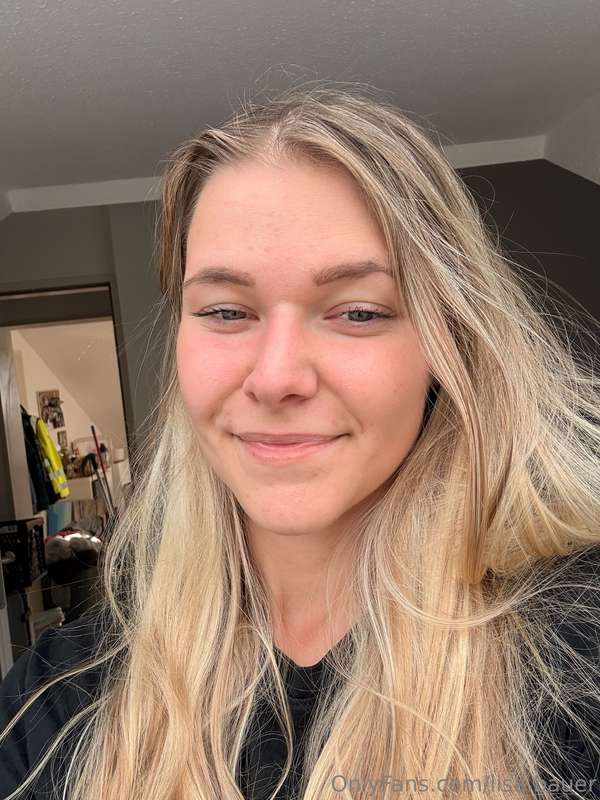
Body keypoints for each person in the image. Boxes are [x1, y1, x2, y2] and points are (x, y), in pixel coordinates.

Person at [1, 82, 600, 800]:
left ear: (448, 344)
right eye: (227, 311)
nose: (277, 377)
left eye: (357, 312)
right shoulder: (55, 699)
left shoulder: (576, 663)